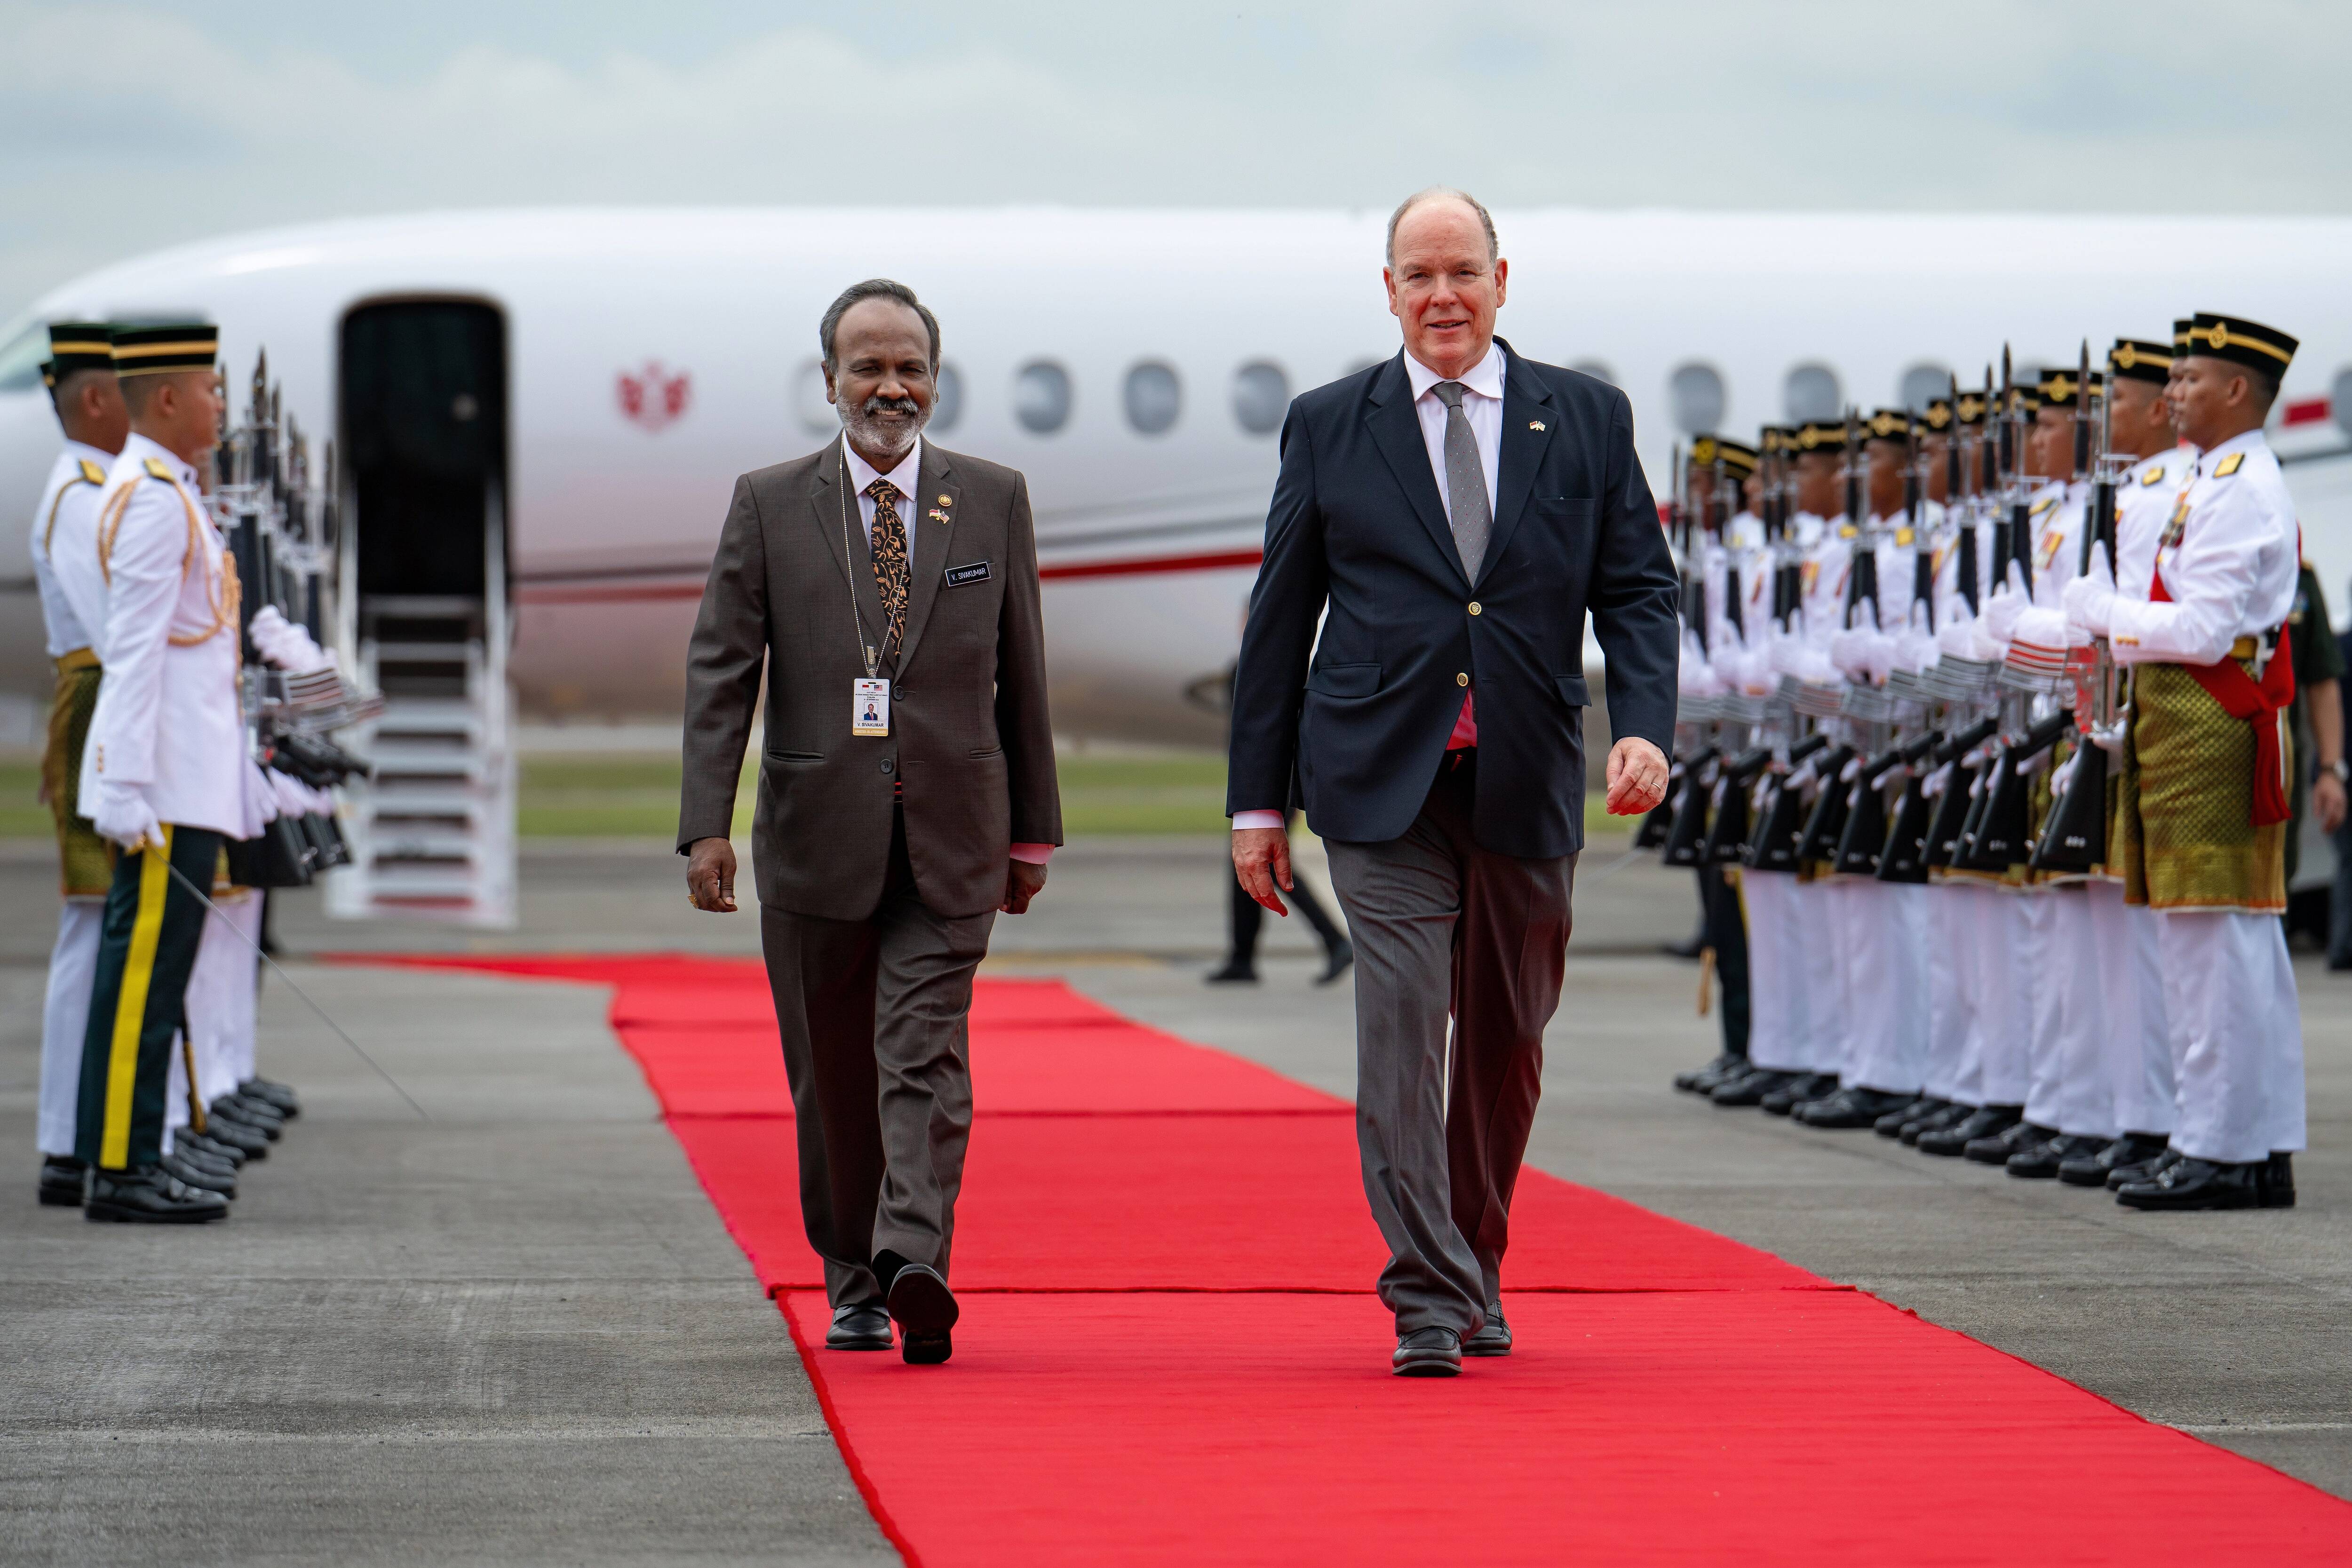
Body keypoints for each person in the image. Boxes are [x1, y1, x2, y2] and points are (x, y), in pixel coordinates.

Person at [1226, 188, 1677, 1376]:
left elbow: (1638, 588)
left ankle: (1474, 1260)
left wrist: (1645, 726)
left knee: (1507, 1041)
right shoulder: (1333, 423)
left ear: (1501, 279)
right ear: (1388, 290)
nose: (1442, 295)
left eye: (1462, 272)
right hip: (1380, 783)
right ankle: (1425, 1291)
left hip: (1527, 778)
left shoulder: (1582, 418)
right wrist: (1257, 805)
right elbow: (1278, 622)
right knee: (1398, 1034)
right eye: (1418, 275)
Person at [678, 279, 1060, 1364]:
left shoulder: (990, 498)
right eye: (868, 368)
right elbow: (721, 671)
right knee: (834, 1076)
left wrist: (1032, 830)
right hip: (813, 838)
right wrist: (705, 820)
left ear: (935, 380)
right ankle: (853, 1277)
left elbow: (1020, 672)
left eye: (909, 368)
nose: (890, 387)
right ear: (830, 382)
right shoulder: (767, 502)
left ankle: (913, 1256)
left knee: (923, 1054)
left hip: (952, 834)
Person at [2065, 311, 2305, 1210]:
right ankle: (2255, 1143)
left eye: (2191, 379)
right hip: (2184, 724)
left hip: (2210, 719)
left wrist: (2102, 612)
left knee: (2214, 949)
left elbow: (2205, 631)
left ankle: (2221, 1147)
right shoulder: (2217, 480)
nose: (2173, 395)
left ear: (2239, 390)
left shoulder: (2241, 487)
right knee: (2223, 945)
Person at [72, 325, 242, 1224]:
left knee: (160, 975)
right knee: (140, 979)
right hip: (163, 785)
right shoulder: (150, 499)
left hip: (189, 779)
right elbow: (132, 656)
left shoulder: (174, 493)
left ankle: (141, 1152)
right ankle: (121, 1166)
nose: (221, 404)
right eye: (210, 389)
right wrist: (126, 786)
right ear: (169, 399)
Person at [28, 324, 127, 1207]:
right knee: (91, 927)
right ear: (95, 399)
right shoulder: (81, 491)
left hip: (115, 703)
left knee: (113, 929)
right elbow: (112, 633)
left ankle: (93, 1130)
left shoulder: (102, 487)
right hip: (101, 707)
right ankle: (66, 1138)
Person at [1208, 807, 1352, 985]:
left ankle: (1335, 941)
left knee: (1267, 863)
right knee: (1250, 865)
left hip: (1268, 791)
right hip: (1258, 793)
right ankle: (1242, 957)